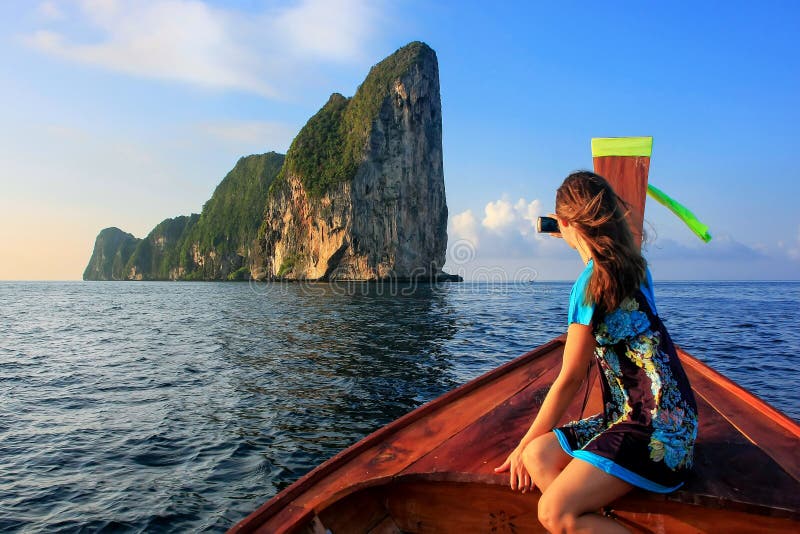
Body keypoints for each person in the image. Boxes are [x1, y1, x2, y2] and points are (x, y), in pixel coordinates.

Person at [494, 171, 699, 533]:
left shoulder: (588, 286)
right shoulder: (637, 268)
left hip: (654, 433)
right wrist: (575, 232)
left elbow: (571, 379)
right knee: (538, 456)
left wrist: (519, 442)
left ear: (566, 222)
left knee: (553, 512)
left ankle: (575, 518)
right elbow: (609, 252)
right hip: (662, 416)